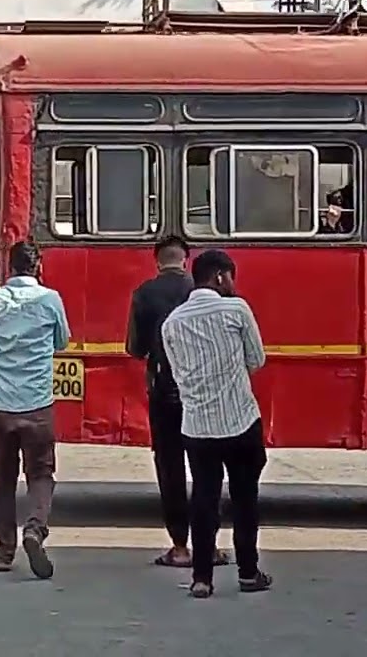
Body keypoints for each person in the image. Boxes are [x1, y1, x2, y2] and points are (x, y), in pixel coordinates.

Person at [161, 249, 273, 598]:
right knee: (244, 497)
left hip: (197, 426)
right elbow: (256, 360)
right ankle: (248, 572)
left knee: (204, 499)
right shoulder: (236, 309)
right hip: (240, 420)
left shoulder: (172, 323)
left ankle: (202, 578)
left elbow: (178, 375)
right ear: (221, 276)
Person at [0, 241, 70, 580]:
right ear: (38, 267)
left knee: (3, 478)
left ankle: (5, 551)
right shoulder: (50, 300)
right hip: (37, 403)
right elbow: (62, 341)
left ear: (10, 266)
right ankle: (35, 529)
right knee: (40, 473)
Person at [125, 235, 229, 569]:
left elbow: (135, 349)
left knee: (170, 469)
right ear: (186, 260)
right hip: (202, 392)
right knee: (206, 469)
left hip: (163, 392)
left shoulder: (143, 293)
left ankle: (181, 546)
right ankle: (208, 547)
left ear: (157, 261)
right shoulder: (203, 293)